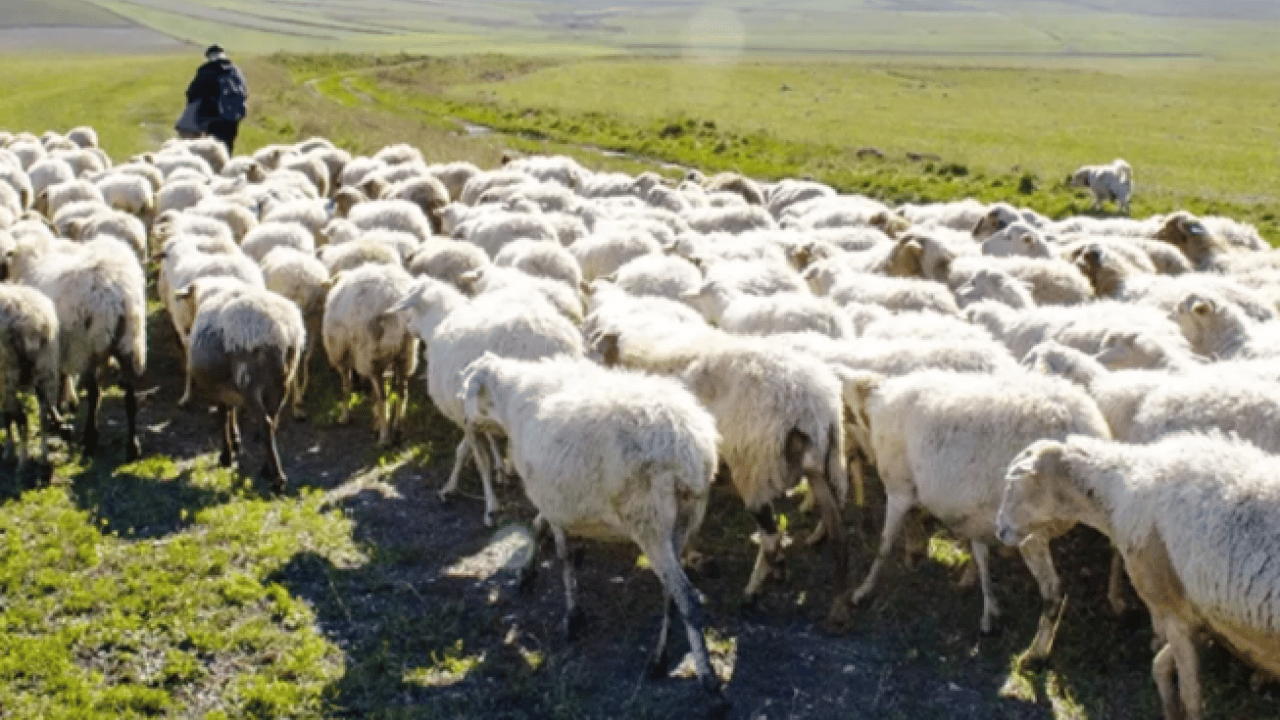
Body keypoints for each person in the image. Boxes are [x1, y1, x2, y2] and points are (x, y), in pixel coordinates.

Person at [184, 44, 248, 154]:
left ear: (209, 56)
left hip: (213, 117)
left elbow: (192, 93)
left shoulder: (206, 70)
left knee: (213, 148)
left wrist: (195, 113)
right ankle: (226, 162)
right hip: (233, 116)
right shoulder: (235, 70)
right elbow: (244, 90)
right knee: (228, 146)